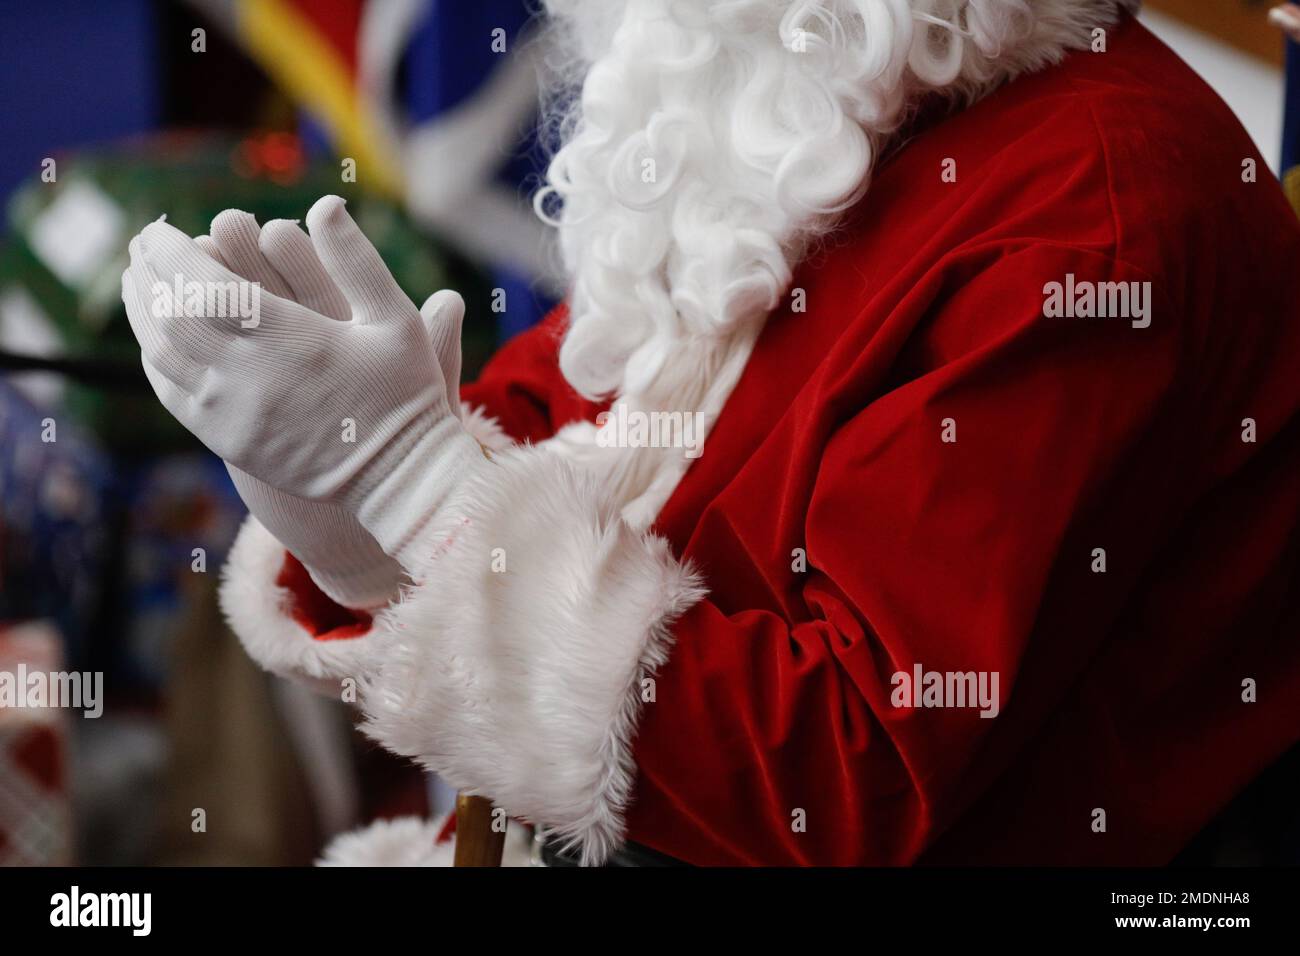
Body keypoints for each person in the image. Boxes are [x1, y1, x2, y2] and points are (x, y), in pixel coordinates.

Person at [122, 0, 1300, 866]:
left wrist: (416, 482)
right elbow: (562, 412)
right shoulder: (787, 73)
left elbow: (847, 780)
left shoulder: (1093, 215)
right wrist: (344, 520)